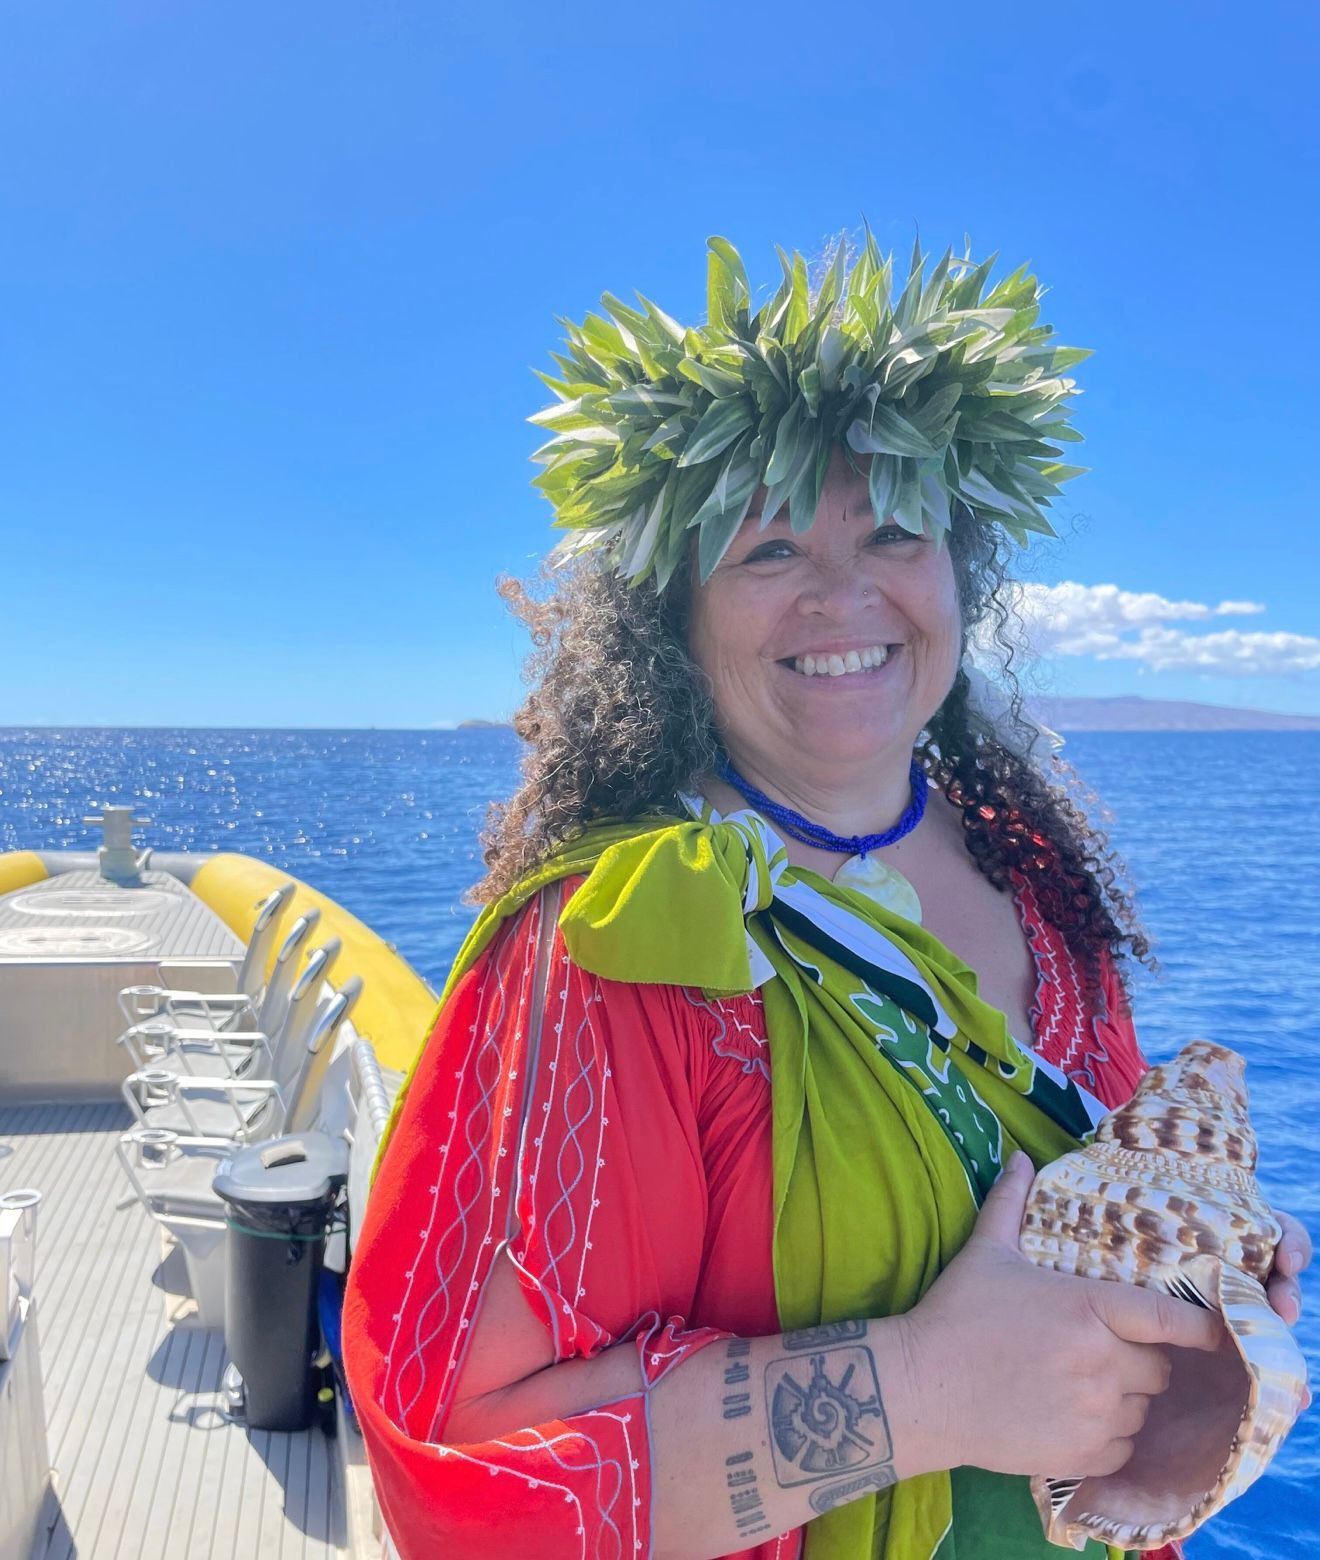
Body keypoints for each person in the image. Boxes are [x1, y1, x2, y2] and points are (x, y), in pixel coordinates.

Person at [341, 234, 1311, 1560]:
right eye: (766, 548)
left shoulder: (1044, 898)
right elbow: (472, 1480)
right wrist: (925, 1390)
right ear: (673, 617)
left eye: (896, 533)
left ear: (962, 576)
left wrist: (1201, 1319)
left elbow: (1091, 1277)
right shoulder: (622, 947)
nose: (844, 594)